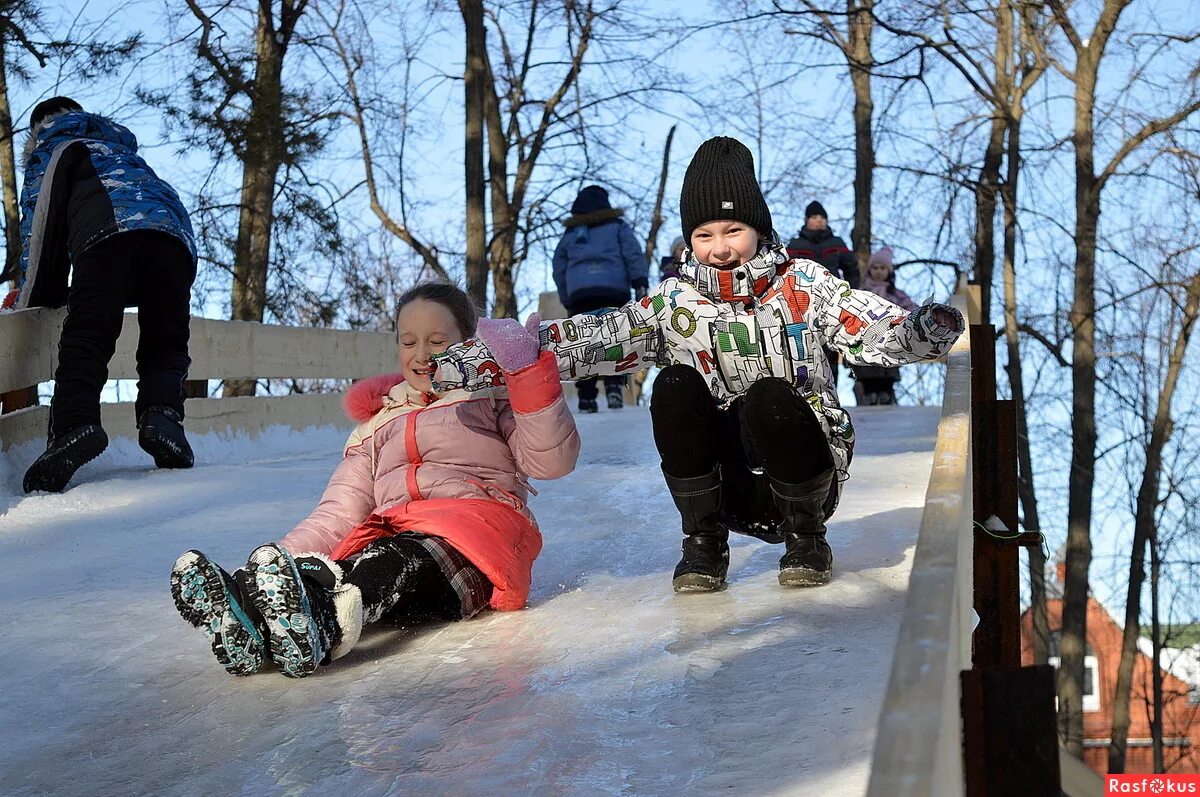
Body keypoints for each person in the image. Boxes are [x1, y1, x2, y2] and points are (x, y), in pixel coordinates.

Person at [433, 137, 963, 592]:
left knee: (770, 396)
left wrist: (920, 332)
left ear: (757, 228)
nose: (719, 249)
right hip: (728, 483)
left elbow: (868, 323)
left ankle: (807, 541)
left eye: (732, 231)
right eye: (704, 236)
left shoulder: (803, 284)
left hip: (804, 474)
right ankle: (705, 541)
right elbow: (597, 337)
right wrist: (491, 360)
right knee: (675, 385)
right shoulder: (675, 303)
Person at [170, 282, 580, 678]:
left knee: (394, 562)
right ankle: (250, 616)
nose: (421, 354)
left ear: (469, 342)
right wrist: (279, 562)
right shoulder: (377, 424)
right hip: (394, 534)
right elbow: (337, 513)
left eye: (437, 341)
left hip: (476, 541)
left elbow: (552, 461)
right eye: (408, 341)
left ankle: (325, 623)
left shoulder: (492, 401)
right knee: (349, 564)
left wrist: (526, 375)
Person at [15, 97, 198, 493]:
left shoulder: (56, 148)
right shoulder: (122, 151)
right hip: (174, 240)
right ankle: (162, 416)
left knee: (89, 333)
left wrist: (35, 292)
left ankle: (74, 425)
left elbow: (39, 220)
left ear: (39, 128)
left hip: (108, 235)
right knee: (166, 337)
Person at [552, 185, 649, 412]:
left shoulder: (571, 235)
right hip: (613, 292)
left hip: (580, 295)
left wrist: (568, 298)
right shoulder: (617, 227)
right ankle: (614, 386)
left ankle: (586, 396)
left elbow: (559, 267)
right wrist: (639, 283)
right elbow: (632, 253)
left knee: (584, 343)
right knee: (614, 338)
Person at [785, 201, 860, 391]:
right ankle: (806, 391)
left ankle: (831, 391)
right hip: (801, 302)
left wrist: (850, 292)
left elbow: (851, 268)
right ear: (807, 220)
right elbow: (784, 270)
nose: (818, 221)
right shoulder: (795, 245)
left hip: (831, 300)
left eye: (822, 218)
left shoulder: (836, 243)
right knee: (804, 346)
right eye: (814, 217)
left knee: (830, 347)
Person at [853, 246, 919, 405]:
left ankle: (886, 392)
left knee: (888, 359)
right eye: (874, 268)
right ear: (869, 270)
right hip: (867, 333)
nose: (878, 271)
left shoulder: (895, 294)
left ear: (889, 271)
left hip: (890, 334)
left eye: (882, 268)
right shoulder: (863, 291)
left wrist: (908, 318)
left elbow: (911, 308)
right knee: (866, 360)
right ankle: (869, 393)